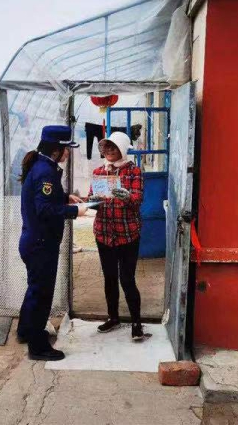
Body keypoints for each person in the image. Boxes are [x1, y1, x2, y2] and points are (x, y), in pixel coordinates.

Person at [17, 125, 88, 361]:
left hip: (34, 241)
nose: (68, 153)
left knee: (34, 290)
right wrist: (75, 211)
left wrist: (65, 197)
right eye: (66, 149)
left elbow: (42, 198)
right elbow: (45, 209)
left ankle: (25, 331)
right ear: (56, 150)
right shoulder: (45, 171)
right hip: (41, 245)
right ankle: (38, 347)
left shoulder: (40, 165)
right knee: (41, 295)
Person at [88, 131, 144, 341]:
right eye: (106, 148)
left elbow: (138, 201)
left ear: (122, 148)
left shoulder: (134, 171)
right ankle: (113, 317)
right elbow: (93, 201)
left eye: (113, 147)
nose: (109, 151)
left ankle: (136, 322)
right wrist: (92, 200)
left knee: (127, 279)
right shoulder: (99, 171)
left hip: (127, 234)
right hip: (104, 234)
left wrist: (128, 197)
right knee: (109, 278)